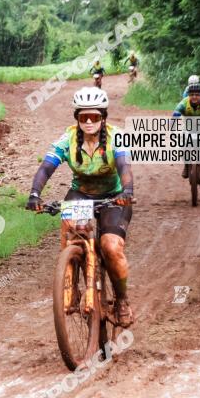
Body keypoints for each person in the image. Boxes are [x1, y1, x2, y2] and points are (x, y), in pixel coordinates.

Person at [25, 87, 135, 327]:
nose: (88, 121)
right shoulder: (68, 139)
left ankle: (122, 300)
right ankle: (71, 282)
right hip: (81, 194)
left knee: (111, 246)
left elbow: (124, 167)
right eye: (83, 116)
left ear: (103, 117)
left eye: (94, 116)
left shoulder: (116, 137)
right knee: (71, 231)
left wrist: (127, 192)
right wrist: (35, 194)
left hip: (114, 197)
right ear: (76, 117)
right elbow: (46, 167)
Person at [172, 83, 200, 189]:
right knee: (181, 148)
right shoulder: (183, 103)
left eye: (197, 94)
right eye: (192, 94)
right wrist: (172, 129)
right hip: (187, 129)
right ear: (188, 95)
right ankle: (187, 166)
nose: (194, 97)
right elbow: (174, 117)